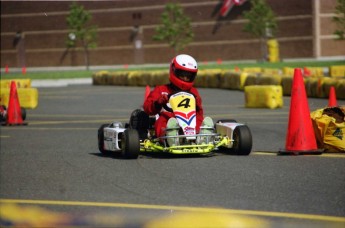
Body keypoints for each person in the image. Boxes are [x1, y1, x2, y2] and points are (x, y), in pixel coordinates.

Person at [143, 54, 213, 146]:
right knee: (163, 119)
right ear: (173, 71)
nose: (185, 78)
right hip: (169, 119)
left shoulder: (193, 92)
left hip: (188, 119)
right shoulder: (161, 90)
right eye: (182, 75)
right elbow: (147, 108)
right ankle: (169, 137)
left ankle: (201, 136)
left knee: (198, 118)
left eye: (189, 76)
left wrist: (197, 104)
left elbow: (199, 112)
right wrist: (158, 103)